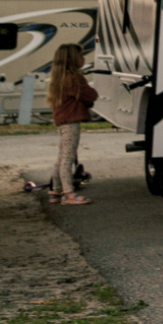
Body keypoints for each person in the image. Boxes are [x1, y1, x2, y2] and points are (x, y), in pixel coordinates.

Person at [45, 44, 97, 206]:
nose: (84, 59)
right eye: (81, 56)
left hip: (63, 121)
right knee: (68, 158)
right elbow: (91, 95)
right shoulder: (73, 79)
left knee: (62, 157)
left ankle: (55, 190)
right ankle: (68, 194)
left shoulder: (60, 78)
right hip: (71, 121)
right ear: (73, 59)